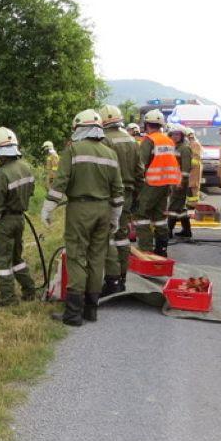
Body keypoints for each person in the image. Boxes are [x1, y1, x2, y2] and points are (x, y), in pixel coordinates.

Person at [41, 110, 123, 326]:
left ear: (80, 128)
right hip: (104, 210)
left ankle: (73, 314)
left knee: (77, 256)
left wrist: (47, 208)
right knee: (97, 258)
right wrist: (115, 216)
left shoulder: (73, 150)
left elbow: (60, 183)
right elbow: (118, 189)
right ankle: (91, 310)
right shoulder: (110, 154)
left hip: (80, 209)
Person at [0, 127, 36, 306]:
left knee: (3, 262)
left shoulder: (2, 174)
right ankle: (29, 290)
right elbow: (31, 192)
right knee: (17, 258)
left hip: (4, 223)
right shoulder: (26, 168)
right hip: (20, 219)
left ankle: (9, 298)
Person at [99, 104, 142, 297]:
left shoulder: (104, 141)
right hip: (129, 193)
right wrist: (137, 196)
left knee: (108, 237)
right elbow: (140, 171)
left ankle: (111, 279)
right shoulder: (132, 140)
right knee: (123, 238)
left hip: (108, 195)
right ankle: (122, 278)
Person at [131, 109, 181, 256]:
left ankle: (146, 249)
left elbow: (141, 165)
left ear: (147, 125)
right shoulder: (168, 140)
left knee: (141, 215)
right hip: (166, 184)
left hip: (152, 183)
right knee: (160, 217)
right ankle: (162, 249)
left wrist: (136, 185)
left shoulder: (149, 141)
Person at [166, 124, 194, 239]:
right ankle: (187, 231)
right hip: (173, 181)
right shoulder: (173, 147)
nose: (175, 136)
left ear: (182, 136)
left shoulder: (184, 148)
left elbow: (186, 169)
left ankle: (168, 231)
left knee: (173, 206)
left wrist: (181, 182)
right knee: (180, 207)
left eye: (178, 134)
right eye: (173, 134)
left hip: (180, 182)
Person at [187, 127, 203, 209]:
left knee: (194, 187)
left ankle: (194, 204)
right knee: (190, 186)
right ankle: (190, 203)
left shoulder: (195, 144)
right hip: (191, 169)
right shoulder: (191, 143)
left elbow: (196, 157)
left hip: (195, 168)